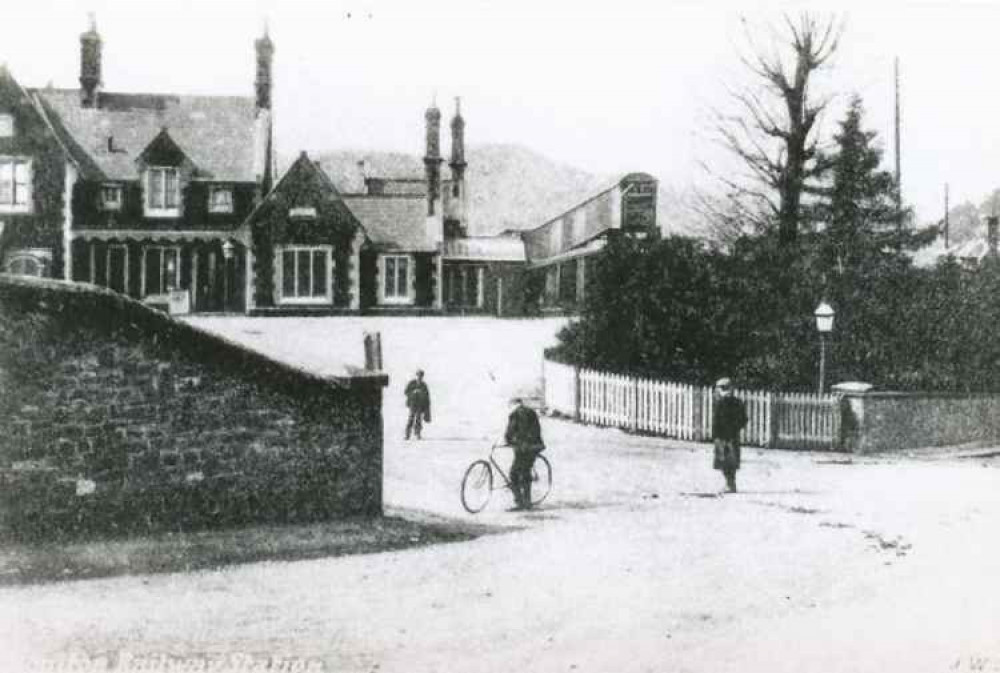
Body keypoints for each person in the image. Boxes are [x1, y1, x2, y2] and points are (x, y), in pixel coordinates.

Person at [504, 396, 545, 510]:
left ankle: (522, 502)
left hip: (523, 448)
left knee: (514, 473)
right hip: (534, 446)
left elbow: (509, 432)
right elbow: (536, 430)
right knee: (524, 470)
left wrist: (508, 441)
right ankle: (525, 501)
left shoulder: (515, 414)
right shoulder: (531, 412)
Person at [712, 377, 747, 493]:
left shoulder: (720, 403)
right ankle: (731, 483)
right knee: (730, 461)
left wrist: (716, 434)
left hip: (723, 436)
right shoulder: (737, 402)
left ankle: (730, 484)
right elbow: (744, 419)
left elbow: (717, 420)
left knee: (725, 461)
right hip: (732, 435)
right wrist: (736, 428)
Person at [404, 369, 431, 440]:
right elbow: (406, 392)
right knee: (411, 418)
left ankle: (418, 433)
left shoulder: (424, 385)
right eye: (419, 375)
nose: (420, 377)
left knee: (418, 419)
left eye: (421, 376)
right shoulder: (412, 383)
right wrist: (413, 392)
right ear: (417, 375)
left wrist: (427, 408)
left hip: (420, 405)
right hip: (412, 404)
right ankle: (407, 434)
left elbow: (427, 396)